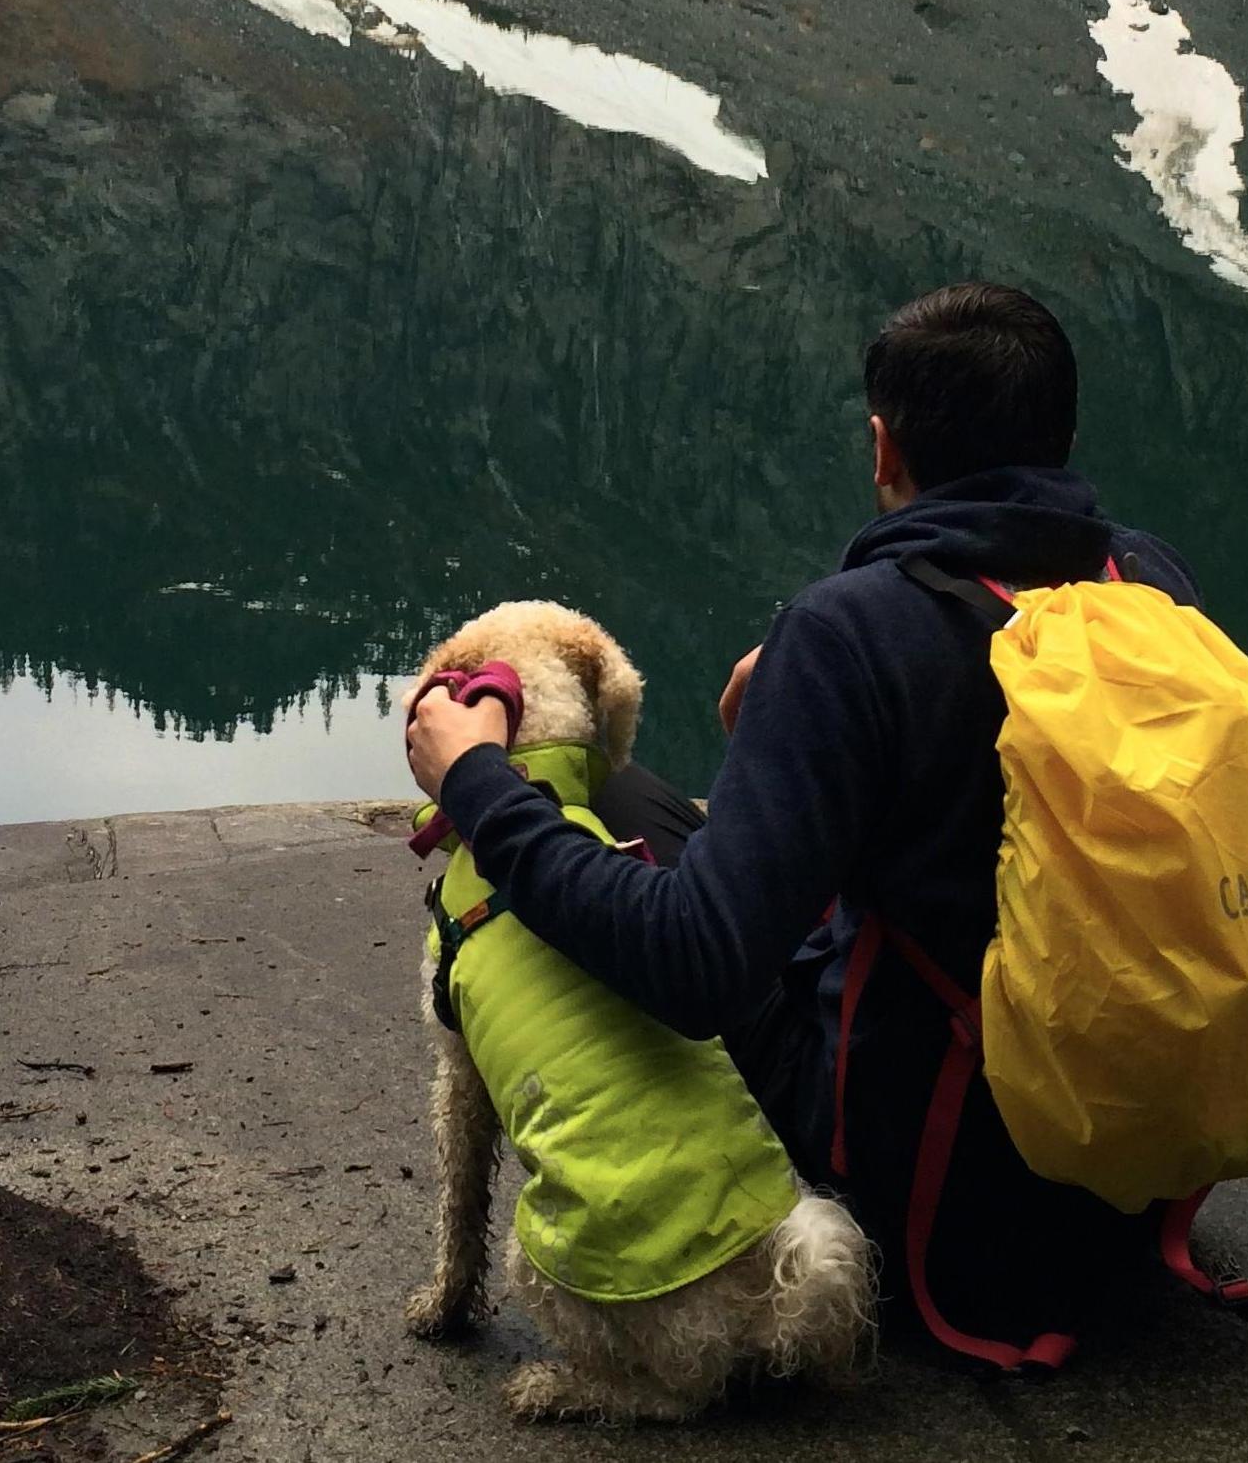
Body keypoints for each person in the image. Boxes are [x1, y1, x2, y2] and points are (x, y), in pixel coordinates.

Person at [403, 280, 1203, 1359]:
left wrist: (480, 785)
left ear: (884, 447)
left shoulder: (855, 628)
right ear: (1061, 437)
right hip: (1121, 1145)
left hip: (928, 1177)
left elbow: (696, 967)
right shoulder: (1145, 578)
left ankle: (651, 1226)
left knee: (606, 812)